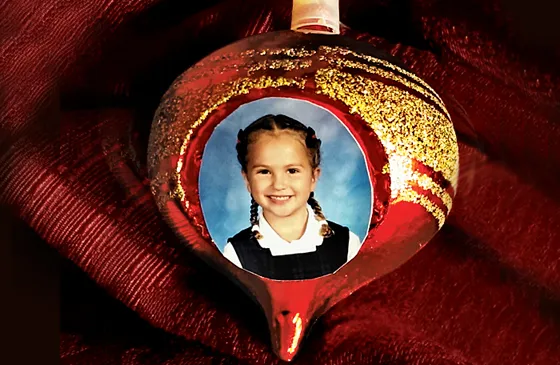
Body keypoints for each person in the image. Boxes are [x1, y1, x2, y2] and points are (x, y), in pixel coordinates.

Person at [222, 114, 362, 280]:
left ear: (313, 177)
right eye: (264, 172)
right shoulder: (235, 255)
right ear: (247, 179)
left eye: (292, 171)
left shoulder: (347, 244)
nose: (279, 184)